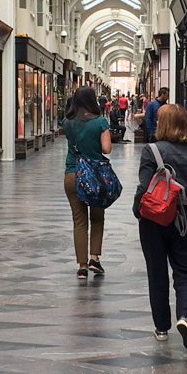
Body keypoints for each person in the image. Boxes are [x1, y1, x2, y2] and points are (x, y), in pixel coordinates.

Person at [134, 104, 187, 349]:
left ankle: (161, 327)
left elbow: (144, 187)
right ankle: (184, 316)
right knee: (184, 271)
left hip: (154, 218)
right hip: (185, 219)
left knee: (157, 271)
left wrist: (138, 211)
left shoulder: (151, 150)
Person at [63, 85, 112, 280]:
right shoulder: (100, 122)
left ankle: (82, 266)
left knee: (79, 221)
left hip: (72, 174)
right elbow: (106, 149)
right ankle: (94, 258)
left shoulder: (67, 122)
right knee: (97, 218)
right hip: (95, 177)